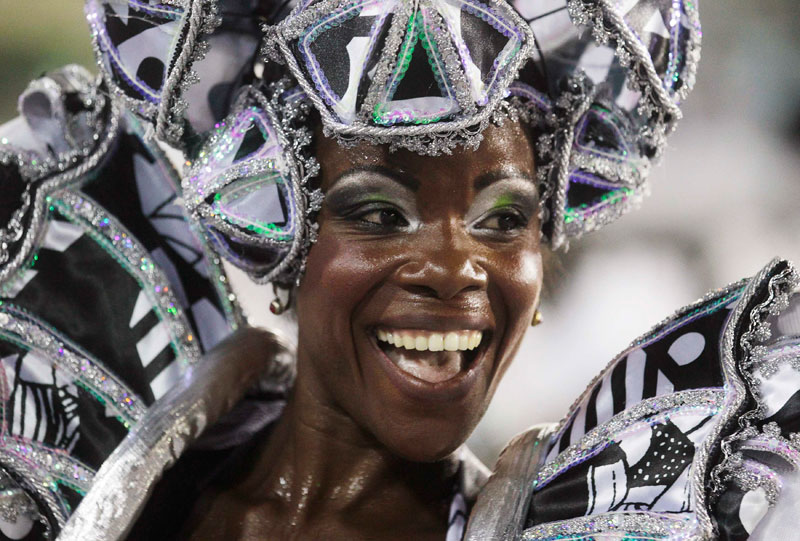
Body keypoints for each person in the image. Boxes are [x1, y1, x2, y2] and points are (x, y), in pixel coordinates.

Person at [0, 1, 798, 540]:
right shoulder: (68, 429)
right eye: (379, 213)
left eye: (503, 220)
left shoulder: (633, 503)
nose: (457, 268)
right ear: (282, 229)